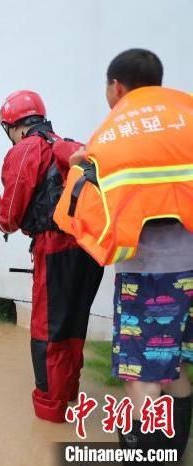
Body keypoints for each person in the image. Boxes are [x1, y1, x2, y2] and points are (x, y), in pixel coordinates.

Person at [55, 49, 192, 463]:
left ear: (116, 87)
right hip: (189, 268)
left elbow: (90, 207)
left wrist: (81, 167)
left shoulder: (113, 133)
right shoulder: (185, 117)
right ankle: (176, 453)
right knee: (175, 364)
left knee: (141, 375)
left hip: (148, 274)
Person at [0, 90, 104, 423]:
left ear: (13, 126)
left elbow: (15, 205)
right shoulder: (61, 144)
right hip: (88, 247)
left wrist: (3, 219)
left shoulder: (25, 149)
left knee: (48, 331)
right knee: (74, 324)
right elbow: (43, 184)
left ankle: (51, 411)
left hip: (55, 248)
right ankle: (68, 396)